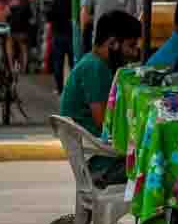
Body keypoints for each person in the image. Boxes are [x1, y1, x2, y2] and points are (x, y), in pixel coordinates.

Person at [59, 10, 141, 187]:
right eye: (131, 46)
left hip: (97, 161)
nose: (134, 53)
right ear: (113, 43)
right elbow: (105, 124)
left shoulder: (92, 62)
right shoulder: (96, 69)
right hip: (103, 167)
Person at [47, 0, 74, 95]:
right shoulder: (72, 1)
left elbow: (49, 15)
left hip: (58, 34)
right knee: (73, 63)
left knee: (58, 63)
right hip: (71, 35)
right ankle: (74, 87)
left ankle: (59, 88)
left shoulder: (56, 0)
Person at [6, 0, 33, 74]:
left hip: (13, 28)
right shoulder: (26, 2)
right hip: (23, 30)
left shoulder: (11, 1)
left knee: (10, 46)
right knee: (24, 49)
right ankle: (24, 68)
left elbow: (7, 14)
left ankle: (11, 67)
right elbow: (30, 16)